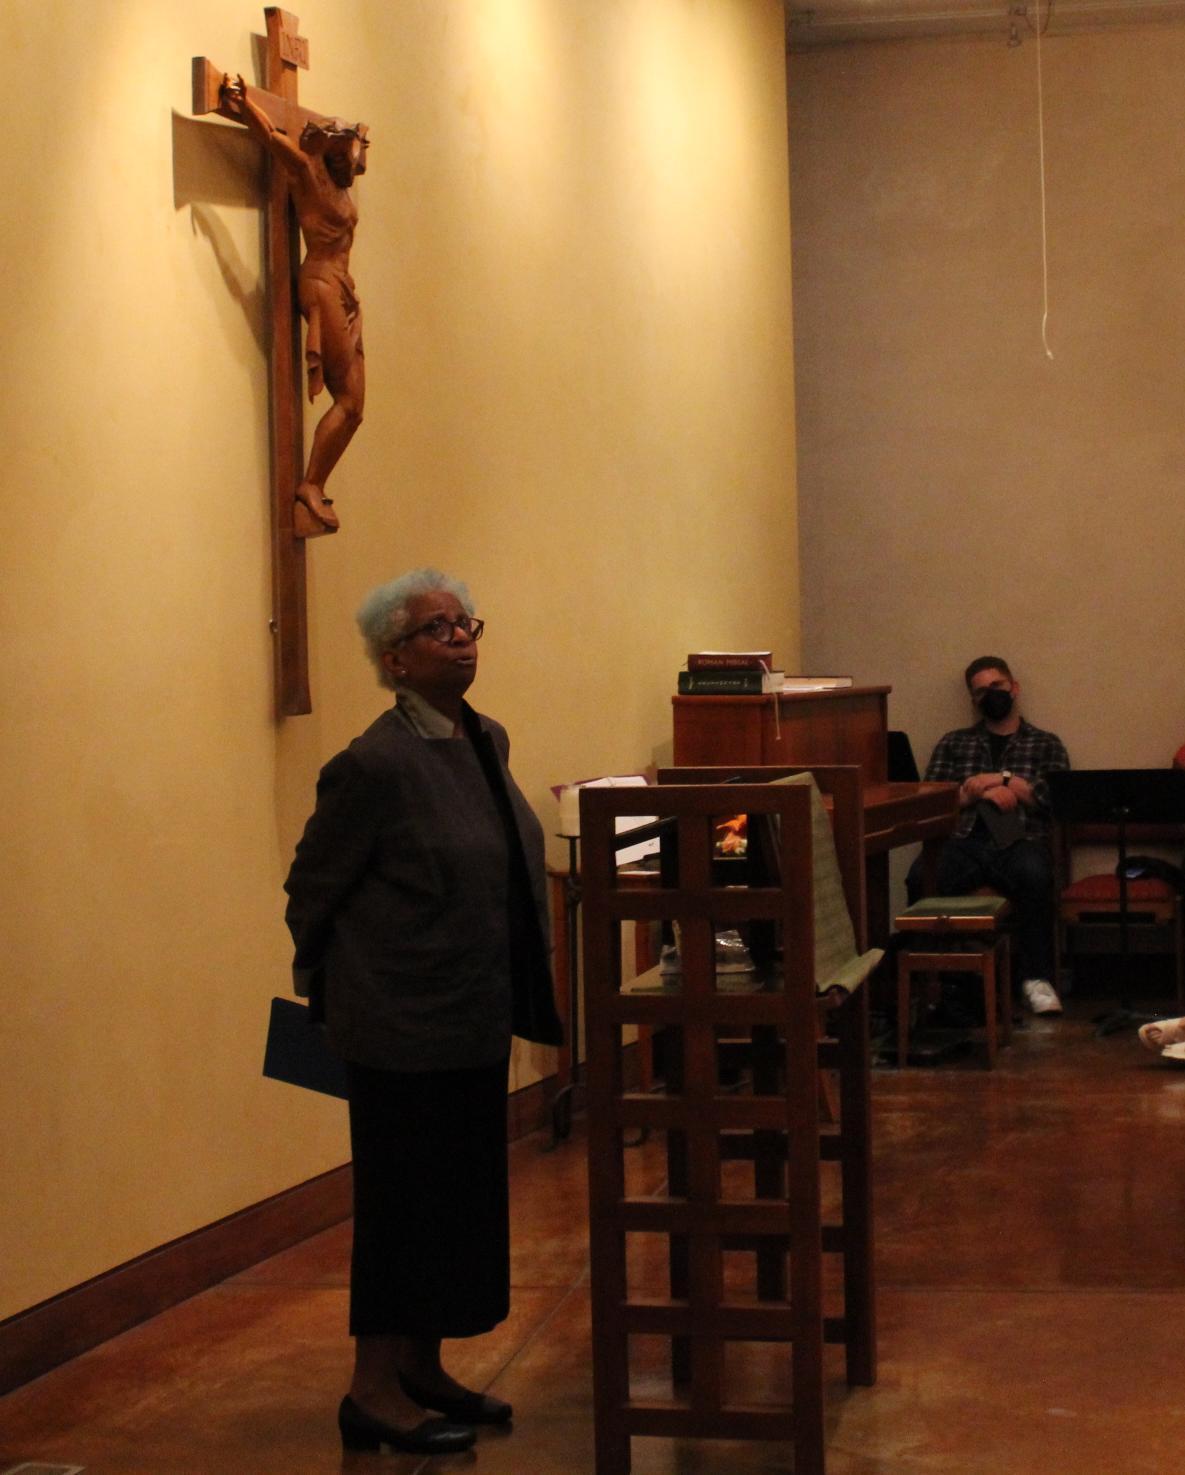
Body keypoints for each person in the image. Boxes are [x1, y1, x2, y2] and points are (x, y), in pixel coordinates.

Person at [284, 569, 563, 1454]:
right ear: (393, 659)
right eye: (437, 628)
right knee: (403, 1206)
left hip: (471, 1016)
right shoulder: (371, 764)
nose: (461, 637)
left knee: (459, 1203)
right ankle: (371, 1389)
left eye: (465, 622)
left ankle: (422, 1367)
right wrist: (348, 988)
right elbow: (311, 889)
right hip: (399, 1030)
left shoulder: (486, 739)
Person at [222, 75, 368, 537]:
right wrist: (245, 104)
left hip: (344, 290)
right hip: (321, 281)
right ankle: (309, 485)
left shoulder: (343, 184)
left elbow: (360, 148)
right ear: (329, 154)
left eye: (352, 158)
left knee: (357, 406)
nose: (352, 164)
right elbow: (270, 138)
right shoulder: (308, 175)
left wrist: (355, 136)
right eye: (343, 157)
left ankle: (313, 483)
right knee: (345, 398)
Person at [908, 656, 1070, 1015]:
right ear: (973, 700)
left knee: (1035, 875)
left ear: (1014, 687)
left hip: (1021, 842)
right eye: (981, 692)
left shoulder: (1045, 744)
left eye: (996, 687)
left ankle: (1036, 980)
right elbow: (929, 801)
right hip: (964, 841)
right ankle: (934, 981)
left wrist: (1004, 780)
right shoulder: (953, 743)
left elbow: (1053, 799)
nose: (990, 695)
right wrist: (975, 792)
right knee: (921, 877)